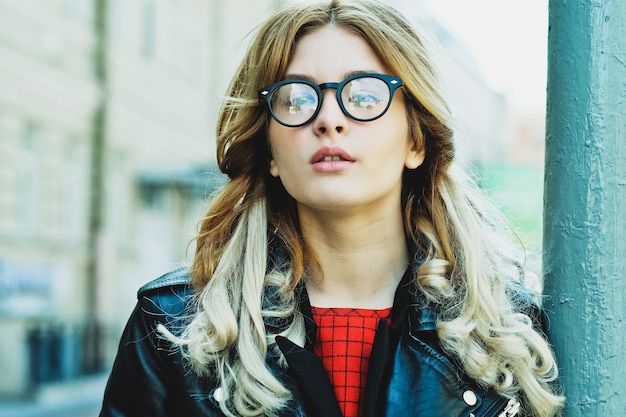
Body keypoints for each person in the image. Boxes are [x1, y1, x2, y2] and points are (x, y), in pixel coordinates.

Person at [99, 1, 565, 416]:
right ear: (271, 153)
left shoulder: (509, 332)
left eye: (364, 95)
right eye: (297, 98)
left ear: (416, 140)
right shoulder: (171, 327)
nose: (329, 119)